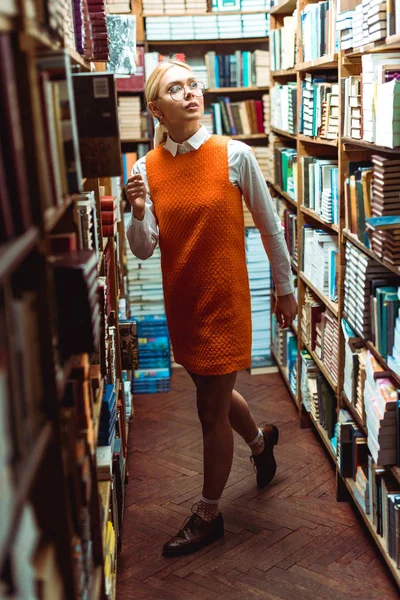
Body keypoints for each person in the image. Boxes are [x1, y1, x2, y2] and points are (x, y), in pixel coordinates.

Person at [125, 58, 297, 558]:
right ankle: (261, 447)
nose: (190, 94)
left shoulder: (235, 155)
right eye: (175, 89)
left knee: (207, 410)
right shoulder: (145, 169)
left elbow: (268, 227)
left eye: (193, 85)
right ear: (156, 109)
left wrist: (284, 290)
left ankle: (208, 514)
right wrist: (137, 213)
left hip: (225, 300)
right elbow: (142, 247)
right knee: (213, 396)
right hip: (183, 300)